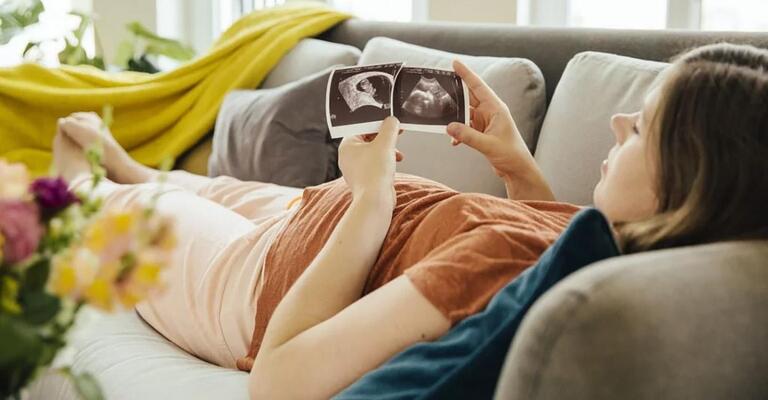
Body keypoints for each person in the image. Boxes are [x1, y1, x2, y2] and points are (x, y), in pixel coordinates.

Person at [51, 42, 767, 399]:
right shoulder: (605, 247)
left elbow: (281, 380)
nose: (616, 122)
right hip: (313, 219)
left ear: (690, 179)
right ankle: (152, 177)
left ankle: (81, 191)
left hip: (268, 280)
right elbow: (536, 250)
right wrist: (519, 169)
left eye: (641, 130)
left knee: (86, 205)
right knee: (204, 188)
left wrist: (370, 198)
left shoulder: (515, 265)